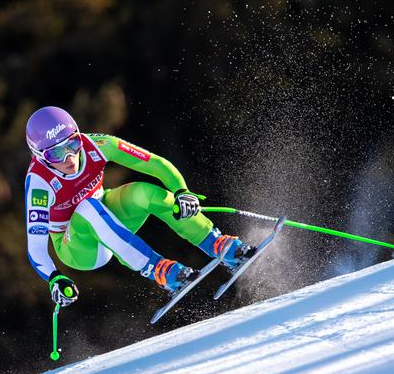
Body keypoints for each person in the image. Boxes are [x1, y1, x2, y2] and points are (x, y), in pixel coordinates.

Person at [25, 106, 256, 307]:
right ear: (40, 156)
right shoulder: (39, 184)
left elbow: (155, 164)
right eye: (56, 153)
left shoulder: (97, 145)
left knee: (143, 192)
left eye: (73, 143)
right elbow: (36, 248)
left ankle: (218, 244)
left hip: (109, 219)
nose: (69, 157)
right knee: (87, 208)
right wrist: (54, 277)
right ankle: (158, 270)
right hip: (79, 248)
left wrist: (182, 192)